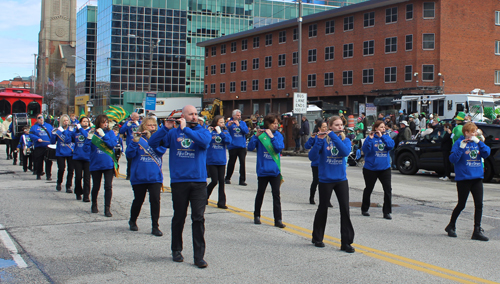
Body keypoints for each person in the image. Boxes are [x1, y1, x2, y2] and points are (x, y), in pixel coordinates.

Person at [148, 105, 211, 268]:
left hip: (198, 181)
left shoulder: (202, 131)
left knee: (198, 218)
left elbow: (204, 143)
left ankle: (199, 256)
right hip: (179, 181)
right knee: (179, 216)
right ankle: (176, 249)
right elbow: (152, 144)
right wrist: (165, 128)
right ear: (183, 115)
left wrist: (186, 130)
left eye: (196, 114)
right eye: (191, 114)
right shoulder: (173, 133)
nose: (194, 117)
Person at [309, 116, 355, 253]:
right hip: (325, 179)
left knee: (345, 209)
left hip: (341, 179)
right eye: (336, 125)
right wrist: (319, 141)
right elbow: (312, 157)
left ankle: (346, 242)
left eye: (341, 125)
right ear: (330, 127)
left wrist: (335, 137)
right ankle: (317, 237)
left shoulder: (345, 140)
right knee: (323, 208)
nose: (340, 127)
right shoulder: (322, 140)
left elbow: (345, 152)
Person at [445, 122, 490, 241]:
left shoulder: (477, 143)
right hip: (464, 178)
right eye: (473, 132)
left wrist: (479, 142)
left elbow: (486, 153)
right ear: (466, 133)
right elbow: (452, 159)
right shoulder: (459, 142)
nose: (475, 133)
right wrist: (461, 148)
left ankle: (477, 230)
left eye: (476, 131)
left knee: (479, 204)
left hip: (477, 177)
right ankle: (451, 225)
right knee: (461, 204)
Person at [126, 117, 165, 237]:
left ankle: (155, 226)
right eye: (149, 125)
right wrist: (134, 141)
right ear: (143, 126)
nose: (152, 127)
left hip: (154, 176)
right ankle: (133, 220)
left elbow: (161, 151)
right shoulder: (138, 138)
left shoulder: (159, 139)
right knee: (138, 200)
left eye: (154, 125)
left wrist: (151, 139)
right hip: (139, 176)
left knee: (155, 201)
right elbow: (129, 154)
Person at [247, 113, 286, 229]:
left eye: (276, 123)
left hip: (275, 171)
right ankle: (257, 215)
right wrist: (255, 136)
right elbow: (249, 148)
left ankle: (278, 219)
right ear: (267, 124)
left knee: (276, 195)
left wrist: (272, 138)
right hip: (263, 170)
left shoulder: (278, 135)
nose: (275, 125)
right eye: (273, 123)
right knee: (260, 193)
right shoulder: (261, 136)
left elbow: (279, 148)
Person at [361, 121, 395, 219]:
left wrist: (382, 137)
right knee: (369, 188)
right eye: (381, 127)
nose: (383, 129)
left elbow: (390, 146)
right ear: (376, 128)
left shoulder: (386, 137)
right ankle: (365, 209)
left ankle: (387, 212)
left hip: (384, 168)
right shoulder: (370, 138)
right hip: (371, 168)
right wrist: (370, 140)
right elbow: (366, 151)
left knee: (388, 189)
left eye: (384, 127)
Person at [85, 114, 117, 217]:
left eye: (106, 122)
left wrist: (104, 135)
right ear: (98, 123)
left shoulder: (109, 132)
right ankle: (94, 204)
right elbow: (86, 149)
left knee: (108, 186)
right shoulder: (93, 133)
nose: (106, 124)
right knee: (96, 186)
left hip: (108, 164)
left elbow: (112, 144)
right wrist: (89, 138)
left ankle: (107, 208)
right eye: (103, 122)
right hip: (96, 164)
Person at [305, 120, 333, 207]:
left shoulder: (329, 136)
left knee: (327, 182)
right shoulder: (317, 136)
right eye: (323, 127)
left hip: (326, 163)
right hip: (316, 163)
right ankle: (311, 197)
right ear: (319, 128)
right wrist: (312, 138)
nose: (325, 128)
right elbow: (307, 146)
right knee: (316, 181)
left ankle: (327, 200)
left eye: (326, 126)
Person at [206, 115, 232, 209]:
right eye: (220, 122)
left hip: (221, 160)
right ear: (216, 122)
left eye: (223, 122)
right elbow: (205, 141)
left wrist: (220, 132)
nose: (222, 123)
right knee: (214, 181)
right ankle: (205, 196)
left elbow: (228, 141)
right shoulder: (210, 131)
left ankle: (221, 202)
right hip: (212, 159)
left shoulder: (224, 132)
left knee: (221, 181)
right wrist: (209, 131)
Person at [51, 114, 75, 193]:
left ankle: (68, 186)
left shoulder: (71, 130)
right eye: (64, 120)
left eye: (67, 120)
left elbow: (69, 140)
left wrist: (64, 132)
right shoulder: (58, 130)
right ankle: (59, 182)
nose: (66, 122)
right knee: (61, 169)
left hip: (70, 151)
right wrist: (53, 135)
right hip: (60, 152)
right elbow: (52, 141)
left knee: (71, 170)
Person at [225, 109, 249, 186]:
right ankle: (227, 178)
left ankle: (242, 180)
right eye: (237, 115)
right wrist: (228, 126)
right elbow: (224, 131)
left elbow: (246, 131)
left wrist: (239, 125)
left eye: (240, 115)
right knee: (231, 162)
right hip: (233, 146)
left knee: (242, 163)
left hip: (241, 146)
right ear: (233, 116)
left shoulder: (242, 123)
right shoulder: (229, 123)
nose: (239, 117)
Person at [72, 116, 91, 201]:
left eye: (87, 121)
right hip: (77, 156)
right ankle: (78, 192)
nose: (85, 123)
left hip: (87, 157)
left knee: (87, 178)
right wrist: (68, 131)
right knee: (78, 177)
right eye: (83, 121)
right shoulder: (76, 132)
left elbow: (87, 136)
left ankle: (86, 195)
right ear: (80, 123)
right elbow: (69, 140)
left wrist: (80, 129)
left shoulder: (90, 131)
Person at [30, 114, 54, 180]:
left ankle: (48, 175)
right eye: (39, 118)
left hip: (48, 146)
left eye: (42, 117)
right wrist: (37, 138)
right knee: (39, 161)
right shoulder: (34, 127)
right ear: (37, 119)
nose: (41, 119)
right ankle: (38, 173)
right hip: (39, 147)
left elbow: (53, 134)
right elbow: (31, 135)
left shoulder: (49, 126)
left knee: (49, 161)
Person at [120, 112, 141, 180]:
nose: (137, 119)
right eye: (136, 117)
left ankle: (137, 174)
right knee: (130, 161)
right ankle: (129, 174)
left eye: (138, 117)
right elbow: (121, 131)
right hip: (130, 144)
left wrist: (138, 125)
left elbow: (143, 130)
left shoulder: (140, 123)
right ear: (132, 117)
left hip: (139, 144)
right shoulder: (127, 123)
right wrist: (128, 125)